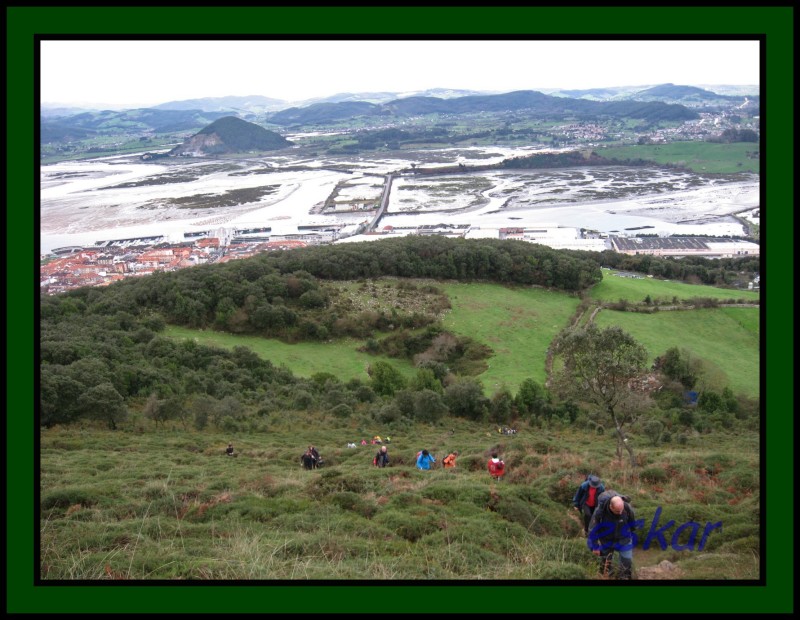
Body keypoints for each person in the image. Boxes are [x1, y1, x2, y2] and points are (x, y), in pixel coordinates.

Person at [587, 491, 638, 580]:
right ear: (611, 507)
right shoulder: (600, 512)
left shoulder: (626, 508)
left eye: (621, 510)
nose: (620, 512)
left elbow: (632, 522)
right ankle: (608, 576)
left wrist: (631, 533)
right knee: (605, 564)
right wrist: (595, 546)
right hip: (607, 540)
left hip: (624, 539)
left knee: (627, 562)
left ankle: (624, 577)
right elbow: (592, 529)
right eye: (618, 511)